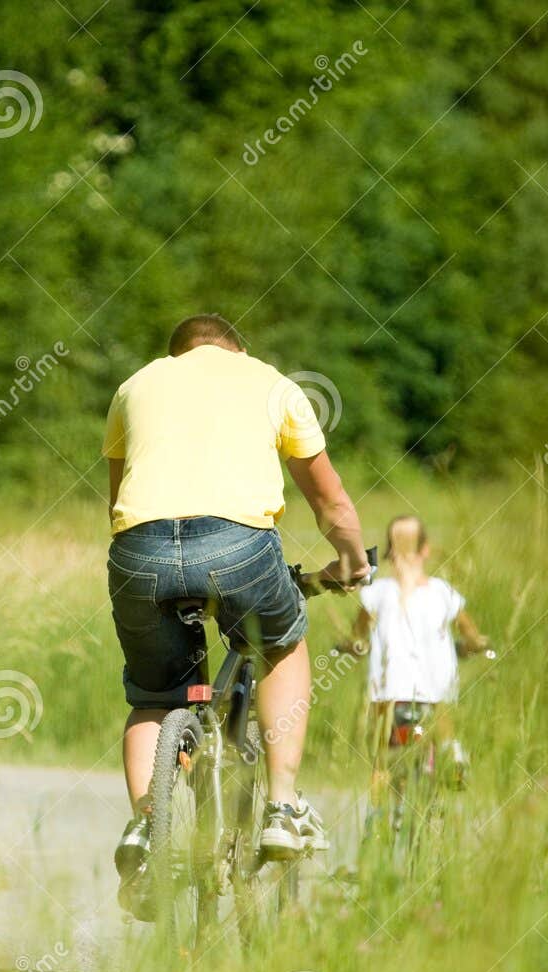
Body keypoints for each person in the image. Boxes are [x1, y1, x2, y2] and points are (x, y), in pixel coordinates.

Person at [103, 313, 369, 916]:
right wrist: (351, 562)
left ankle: (146, 831)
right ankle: (281, 808)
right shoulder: (273, 383)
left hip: (138, 551)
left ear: (178, 354)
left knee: (155, 694)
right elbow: (329, 501)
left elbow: (119, 499)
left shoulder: (135, 385)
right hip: (238, 547)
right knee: (281, 645)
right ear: (237, 349)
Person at [342, 514, 489, 797]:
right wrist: (476, 644)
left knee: (381, 759)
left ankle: (376, 818)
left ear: (388, 551)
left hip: (388, 695)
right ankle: (451, 754)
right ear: (426, 550)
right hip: (433, 694)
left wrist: (352, 645)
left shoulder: (377, 592)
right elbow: (471, 634)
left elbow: (358, 636)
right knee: (441, 710)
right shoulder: (443, 593)